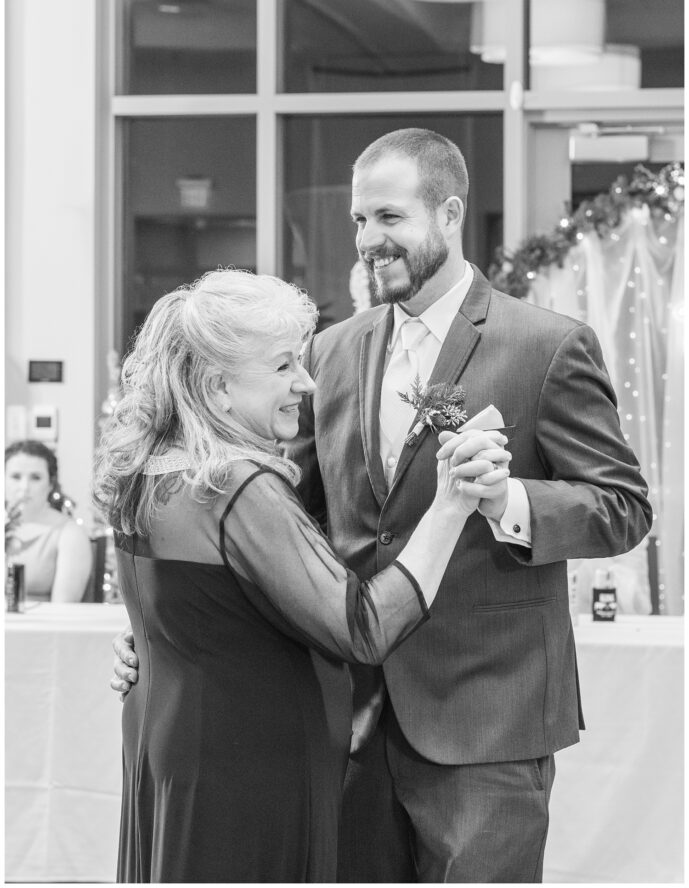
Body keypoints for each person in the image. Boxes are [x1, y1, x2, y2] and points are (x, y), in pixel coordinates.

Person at [113, 129, 653, 883]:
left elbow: (623, 506)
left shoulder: (546, 346)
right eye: (360, 220)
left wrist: (508, 501)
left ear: (449, 213)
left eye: (390, 218)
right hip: (346, 718)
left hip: (484, 726)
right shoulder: (331, 351)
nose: (369, 239)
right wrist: (171, 633)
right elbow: (275, 525)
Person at [96, 268, 510, 883]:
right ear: (217, 388)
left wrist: (151, 639)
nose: (307, 382)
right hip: (243, 765)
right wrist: (452, 503)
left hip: (174, 742)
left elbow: (187, 606)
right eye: (285, 366)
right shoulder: (238, 487)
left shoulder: (146, 471)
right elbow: (364, 627)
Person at [5, 440, 93, 602]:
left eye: (35, 478)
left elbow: (63, 611)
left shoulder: (70, 534)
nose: (24, 487)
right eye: (16, 477)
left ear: (50, 484)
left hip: (37, 626)